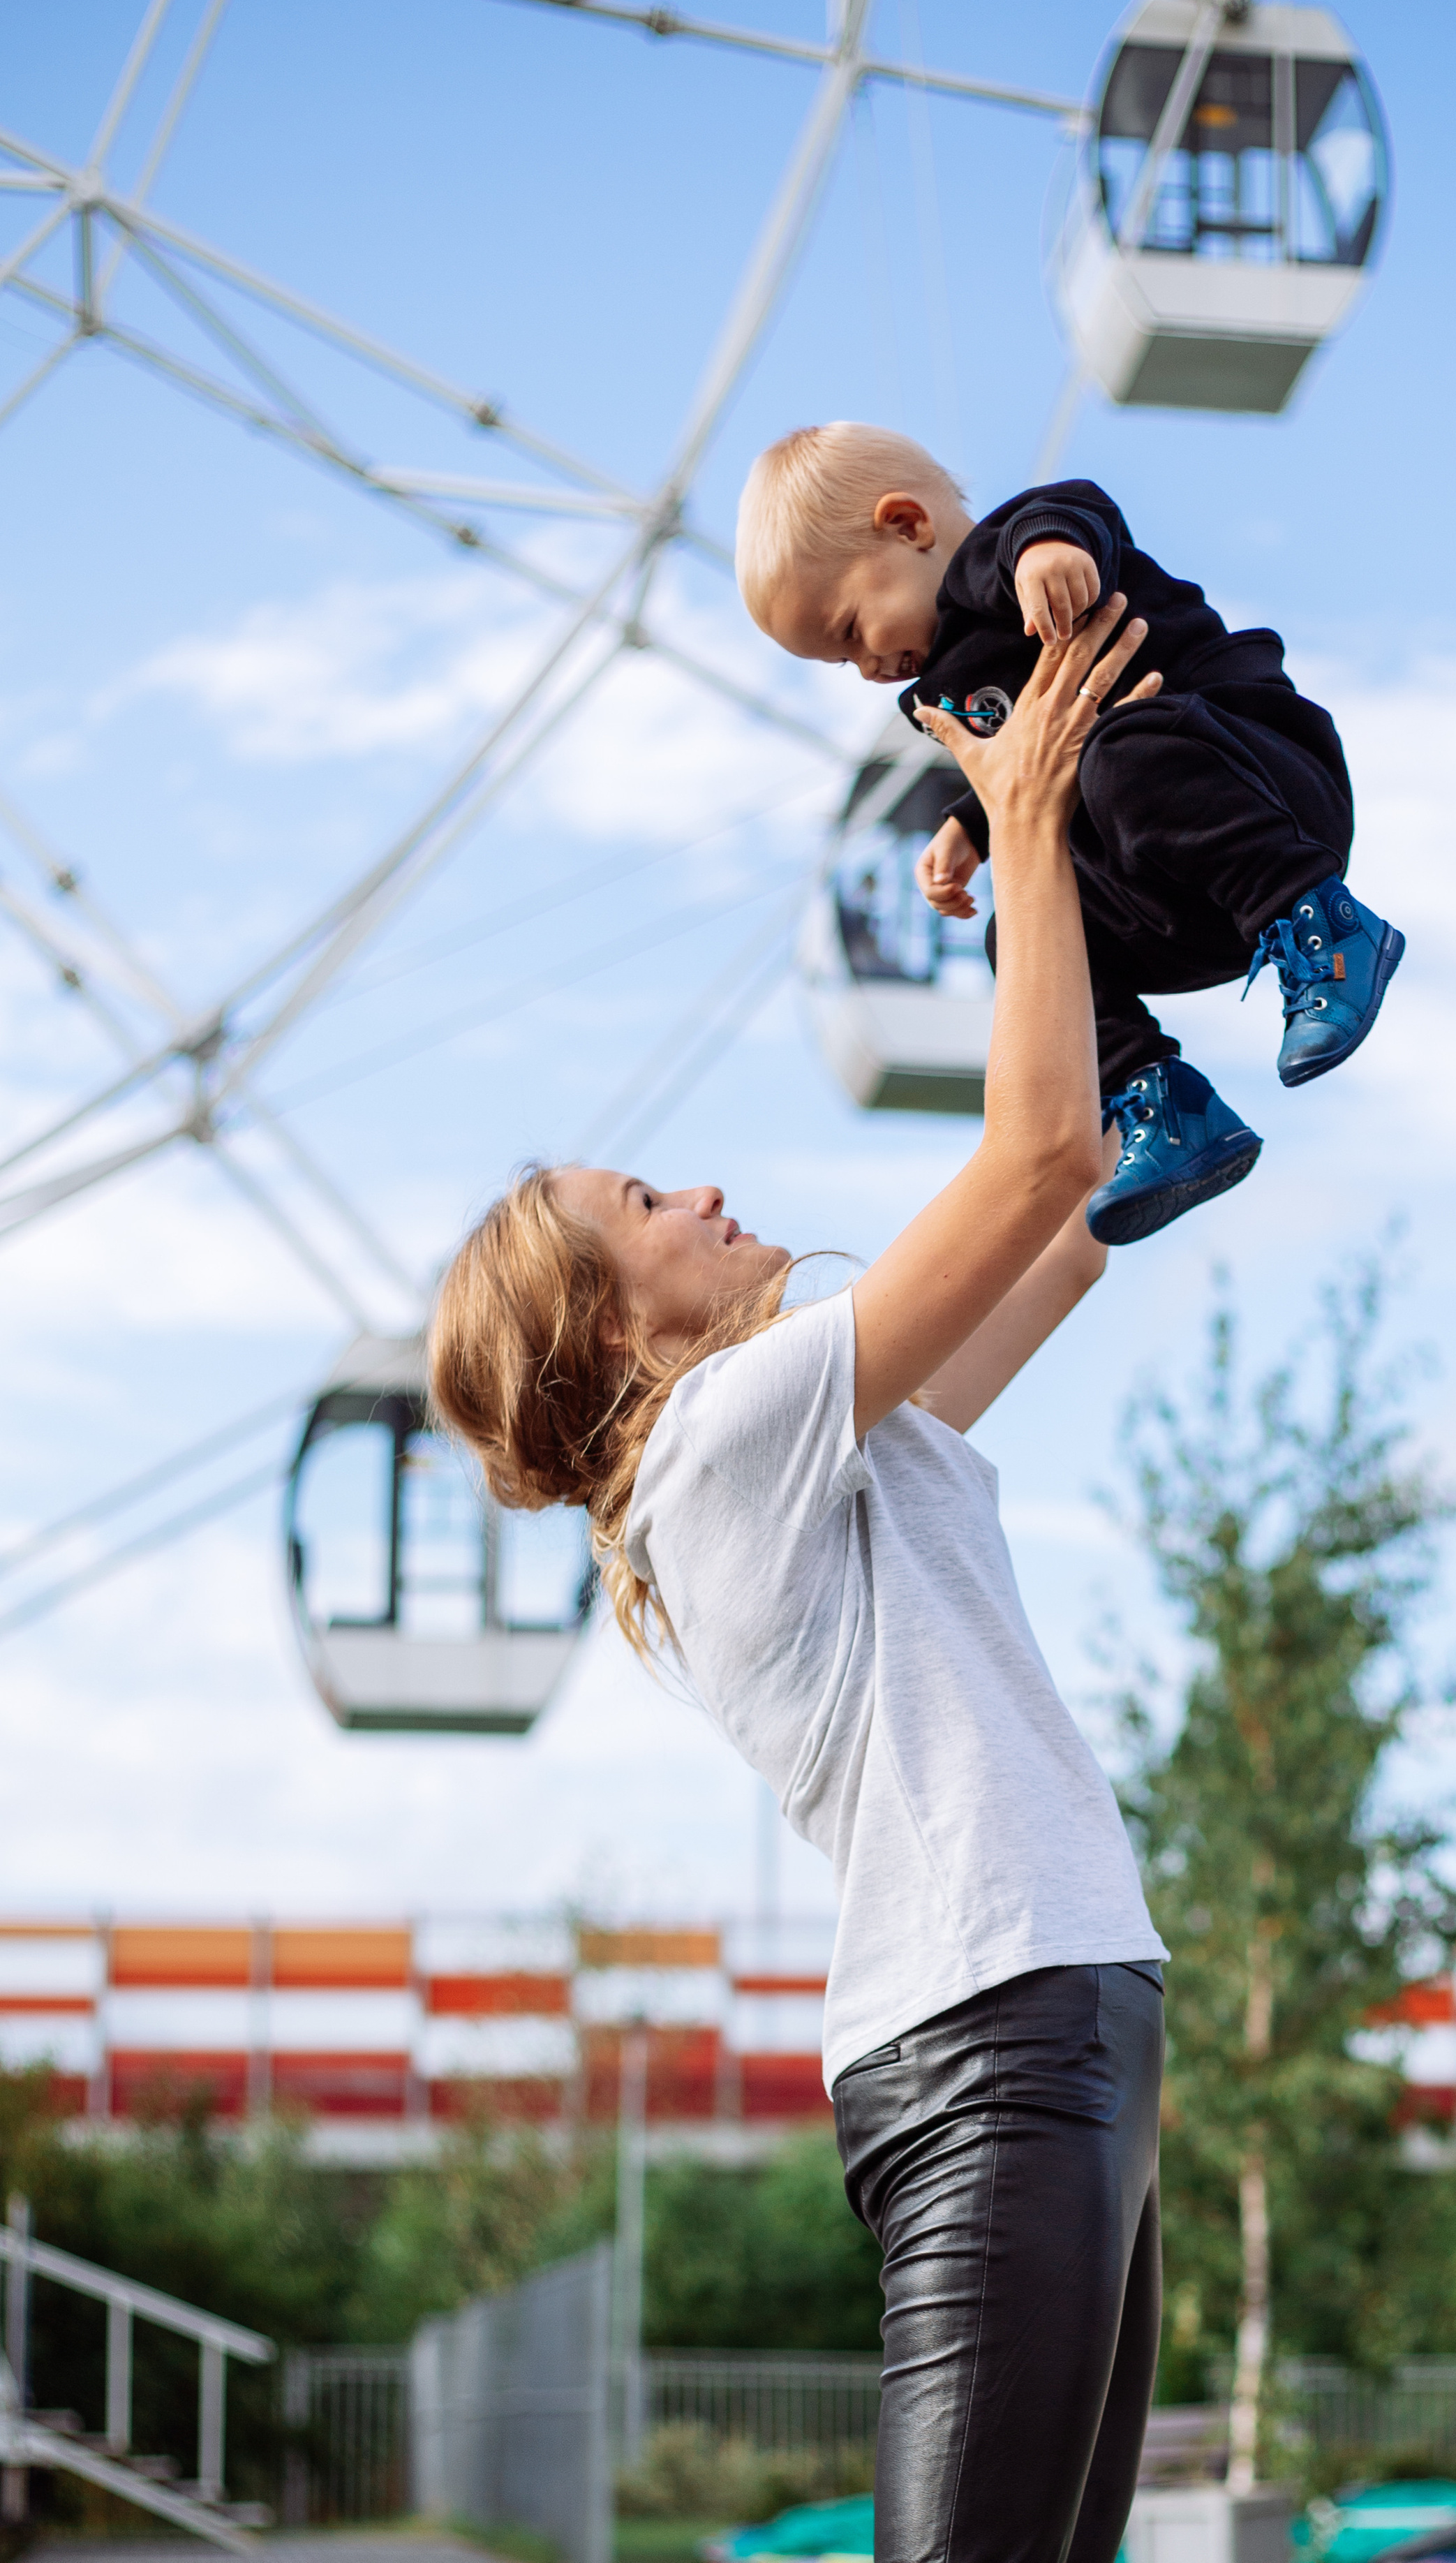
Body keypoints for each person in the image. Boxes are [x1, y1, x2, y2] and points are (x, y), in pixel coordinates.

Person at [429, 598, 1171, 2563]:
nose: (699, 1191)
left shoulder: (806, 1439)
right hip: (992, 2039)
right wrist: (1016, 813)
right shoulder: (712, 1449)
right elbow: (1034, 1159)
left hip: (1067, 2006)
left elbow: (1067, 1228)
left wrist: (1037, 892)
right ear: (608, 1332)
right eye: (642, 1206)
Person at [736, 421, 1404, 1245]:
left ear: (907, 527)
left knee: (1120, 757)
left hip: (1263, 791)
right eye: (841, 667)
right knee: (1021, 933)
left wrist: (1048, 553)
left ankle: (1329, 930)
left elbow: (1075, 511)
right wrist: (969, 827)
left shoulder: (1005, 559)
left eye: (848, 634)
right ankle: (1161, 1105)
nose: (867, 671)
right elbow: (1027, 752)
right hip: (1185, 897)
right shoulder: (937, 696)